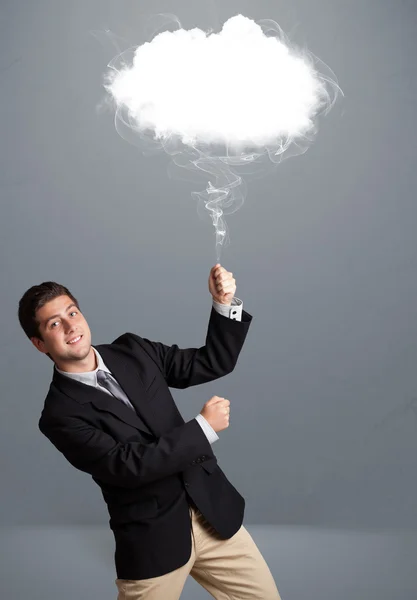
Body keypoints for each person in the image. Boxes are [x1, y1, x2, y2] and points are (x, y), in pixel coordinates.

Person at [18, 263, 281, 600]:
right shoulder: (59, 414)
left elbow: (211, 362)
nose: (71, 325)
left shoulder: (134, 350)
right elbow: (127, 466)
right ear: (40, 343)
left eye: (72, 312)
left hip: (213, 514)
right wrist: (202, 428)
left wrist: (222, 303)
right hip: (153, 541)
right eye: (55, 323)